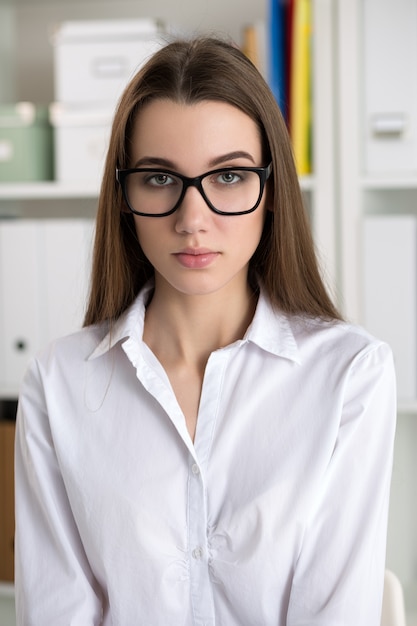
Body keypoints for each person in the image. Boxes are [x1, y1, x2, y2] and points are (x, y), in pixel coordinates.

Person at [14, 36, 396, 625]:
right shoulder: (57, 381)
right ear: (123, 196)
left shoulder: (350, 375)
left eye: (230, 178)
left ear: (271, 193)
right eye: (160, 180)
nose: (194, 220)